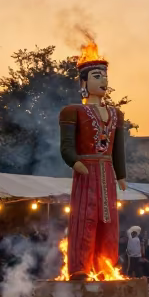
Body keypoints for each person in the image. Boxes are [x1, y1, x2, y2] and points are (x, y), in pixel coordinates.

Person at [58, 43, 129, 281]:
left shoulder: (116, 114)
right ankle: (79, 267)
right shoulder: (73, 111)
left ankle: (105, 266)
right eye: (97, 76)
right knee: (84, 218)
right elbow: (66, 144)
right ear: (84, 83)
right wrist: (74, 161)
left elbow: (118, 147)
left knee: (108, 220)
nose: (103, 81)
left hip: (107, 171)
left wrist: (121, 174)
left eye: (105, 76)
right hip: (86, 170)